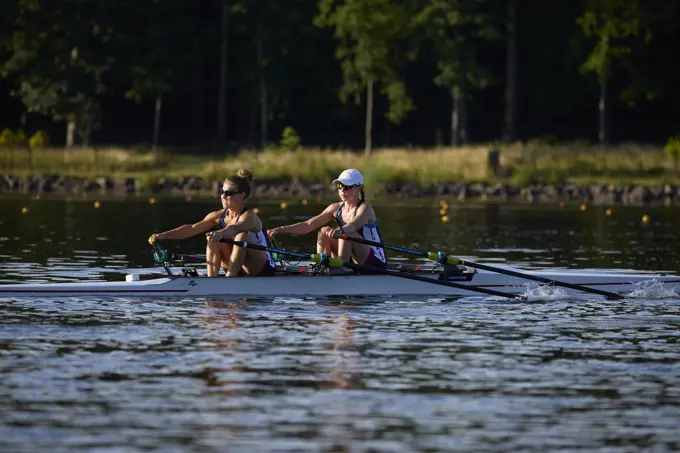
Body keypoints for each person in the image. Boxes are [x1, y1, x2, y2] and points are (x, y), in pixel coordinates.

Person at [148, 169, 276, 277]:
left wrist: (220, 232)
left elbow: (234, 228)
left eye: (229, 193)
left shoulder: (249, 217)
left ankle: (229, 281)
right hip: (239, 266)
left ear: (242, 195)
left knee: (240, 237)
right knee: (213, 239)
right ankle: (212, 279)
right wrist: (162, 235)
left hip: (262, 268)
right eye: (222, 191)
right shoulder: (218, 215)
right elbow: (192, 229)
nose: (223, 196)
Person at [268, 168, 387, 268]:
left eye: (348, 187)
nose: (342, 190)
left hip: (375, 259)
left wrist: (340, 231)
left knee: (347, 235)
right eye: (340, 186)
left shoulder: (365, 208)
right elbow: (308, 225)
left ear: (359, 188)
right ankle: (323, 266)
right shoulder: (335, 208)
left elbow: (354, 225)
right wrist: (281, 229)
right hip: (352, 258)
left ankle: (340, 270)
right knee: (324, 231)